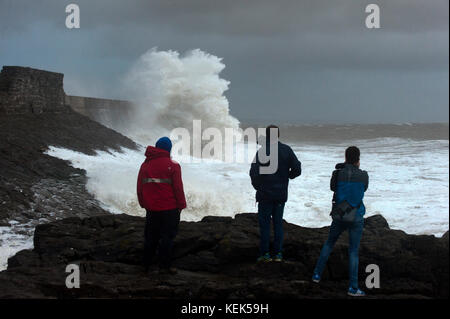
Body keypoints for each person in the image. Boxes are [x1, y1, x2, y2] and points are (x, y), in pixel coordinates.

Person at [312, 146, 369, 297]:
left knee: (329, 243)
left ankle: (317, 275)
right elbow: (364, 189)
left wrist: (343, 170)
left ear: (345, 157)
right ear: (358, 159)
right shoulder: (364, 175)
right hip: (356, 216)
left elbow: (332, 188)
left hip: (340, 214)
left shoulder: (337, 174)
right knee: (353, 251)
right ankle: (353, 288)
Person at [249, 125, 301, 263]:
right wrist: (288, 176)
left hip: (265, 194)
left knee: (265, 225)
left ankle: (265, 254)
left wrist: (258, 187)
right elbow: (297, 168)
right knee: (278, 224)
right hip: (280, 194)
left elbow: (253, 173)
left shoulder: (262, 152)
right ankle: (277, 254)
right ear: (278, 135)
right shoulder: (286, 150)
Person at [137, 136, 187, 275]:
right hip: (170, 209)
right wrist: (181, 205)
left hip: (151, 209)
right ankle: (164, 267)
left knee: (150, 237)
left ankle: (145, 265)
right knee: (167, 238)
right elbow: (178, 188)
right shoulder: (174, 165)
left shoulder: (145, 165)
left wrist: (142, 202)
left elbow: (140, 186)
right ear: (168, 149)